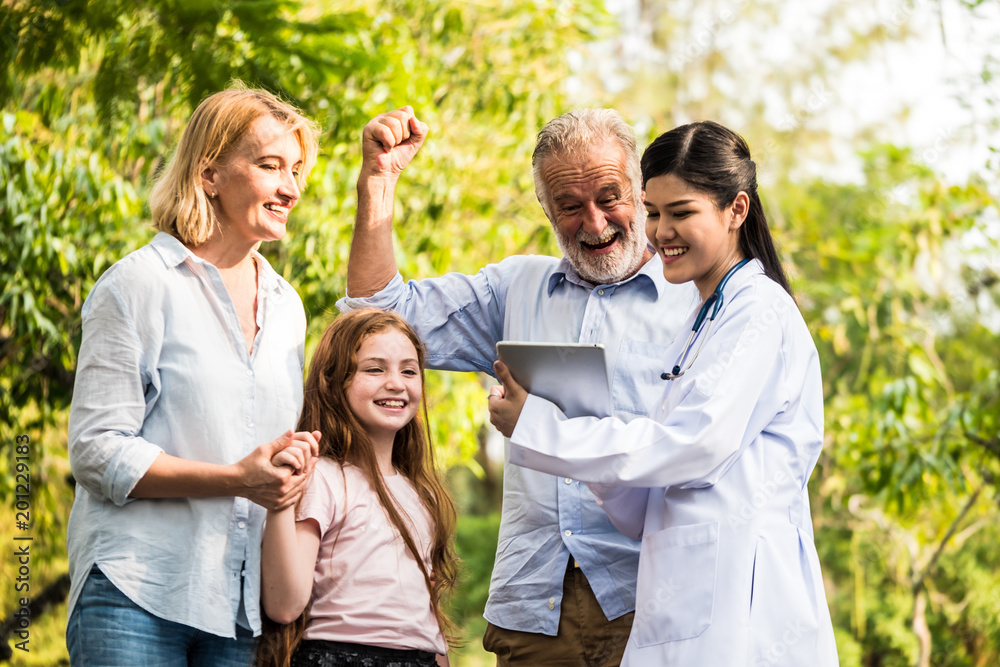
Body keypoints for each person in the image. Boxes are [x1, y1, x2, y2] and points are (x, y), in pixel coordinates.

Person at [338, 106, 699, 666]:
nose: (595, 223)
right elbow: (376, 315)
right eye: (570, 206)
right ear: (545, 208)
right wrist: (378, 184)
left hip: (648, 597)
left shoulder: (696, 303)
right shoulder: (514, 289)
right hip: (535, 606)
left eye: (610, 197)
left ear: (641, 190)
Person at [487, 120, 839, 666]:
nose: (660, 232)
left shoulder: (759, 313)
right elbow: (646, 504)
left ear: (736, 210)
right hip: (681, 601)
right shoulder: (700, 323)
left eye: (681, 213)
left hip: (742, 608)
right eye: (653, 212)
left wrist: (543, 427)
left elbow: (692, 446)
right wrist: (575, 424)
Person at [66, 85, 322, 666]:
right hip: (135, 591)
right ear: (210, 174)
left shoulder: (287, 306)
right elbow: (96, 451)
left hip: (236, 607)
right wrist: (234, 477)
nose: (291, 188)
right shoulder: (138, 285)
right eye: (270, 166)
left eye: (297, 169)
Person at [256, 309, 458, 667]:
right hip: (339, 656)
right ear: (334, 381)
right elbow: (284, 605)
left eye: (409, 370)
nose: (396, 382)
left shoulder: (422, 494)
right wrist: (280, 499)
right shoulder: (322, 479)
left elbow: (428, 625)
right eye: (375, 369)